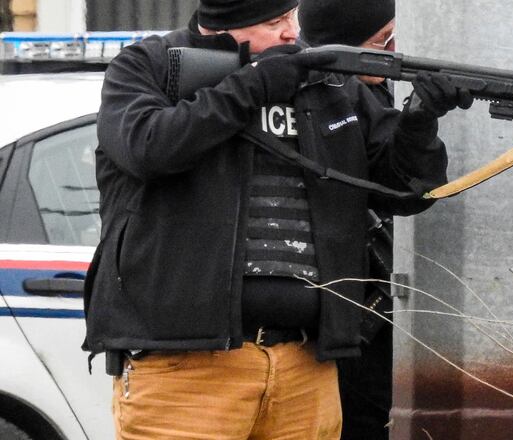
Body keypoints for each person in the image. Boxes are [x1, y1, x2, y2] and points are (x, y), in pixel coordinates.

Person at [82, 0, 471, 439]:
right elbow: (147, 146)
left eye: (291, 16)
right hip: (186, 371)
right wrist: (250, 87)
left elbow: (405, 190)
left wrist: (418, 121)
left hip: (306, 366)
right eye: (274, 22)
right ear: (224, 28)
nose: (291, 33)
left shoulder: (324, 80)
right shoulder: (147, 65)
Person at [298, 1, 398, 439]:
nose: (395, 51)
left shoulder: (375, 96)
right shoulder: (319, 101)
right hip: (341, 319)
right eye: (385, 40)